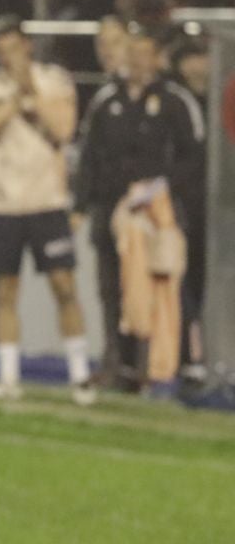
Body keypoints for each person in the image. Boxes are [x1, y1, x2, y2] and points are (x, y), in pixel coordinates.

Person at [0, 18, 95, 404]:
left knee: (64, 286)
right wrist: (11, 103)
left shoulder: (55, 80)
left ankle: (80, 376)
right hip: (3, 204)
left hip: (47, 202)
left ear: (28, 46)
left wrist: (31, 95)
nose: (8, 55)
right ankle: (8, 377)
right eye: (1, 49)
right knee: (4, 291)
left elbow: (63, 129)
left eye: (14, 47)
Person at [73, 25, 205, 390]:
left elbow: (194, 156)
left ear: (158, 58)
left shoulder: (175, 100)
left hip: (161, 213)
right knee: (113, 287)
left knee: (169, 286)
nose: (137, 61)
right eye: (132, 53)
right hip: (113, 210)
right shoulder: (107, 99)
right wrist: (82, 203)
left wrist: (161, 189)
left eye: (144, 53)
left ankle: (181, 364)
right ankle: (122, 365)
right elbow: (89, 155)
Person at [168, 38, 211, 381]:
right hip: (187, 209)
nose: (197, 65)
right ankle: (189, 356)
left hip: (218, 210)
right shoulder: (173, 101)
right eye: (190, 58)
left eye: (202, 57)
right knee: (187, 285)